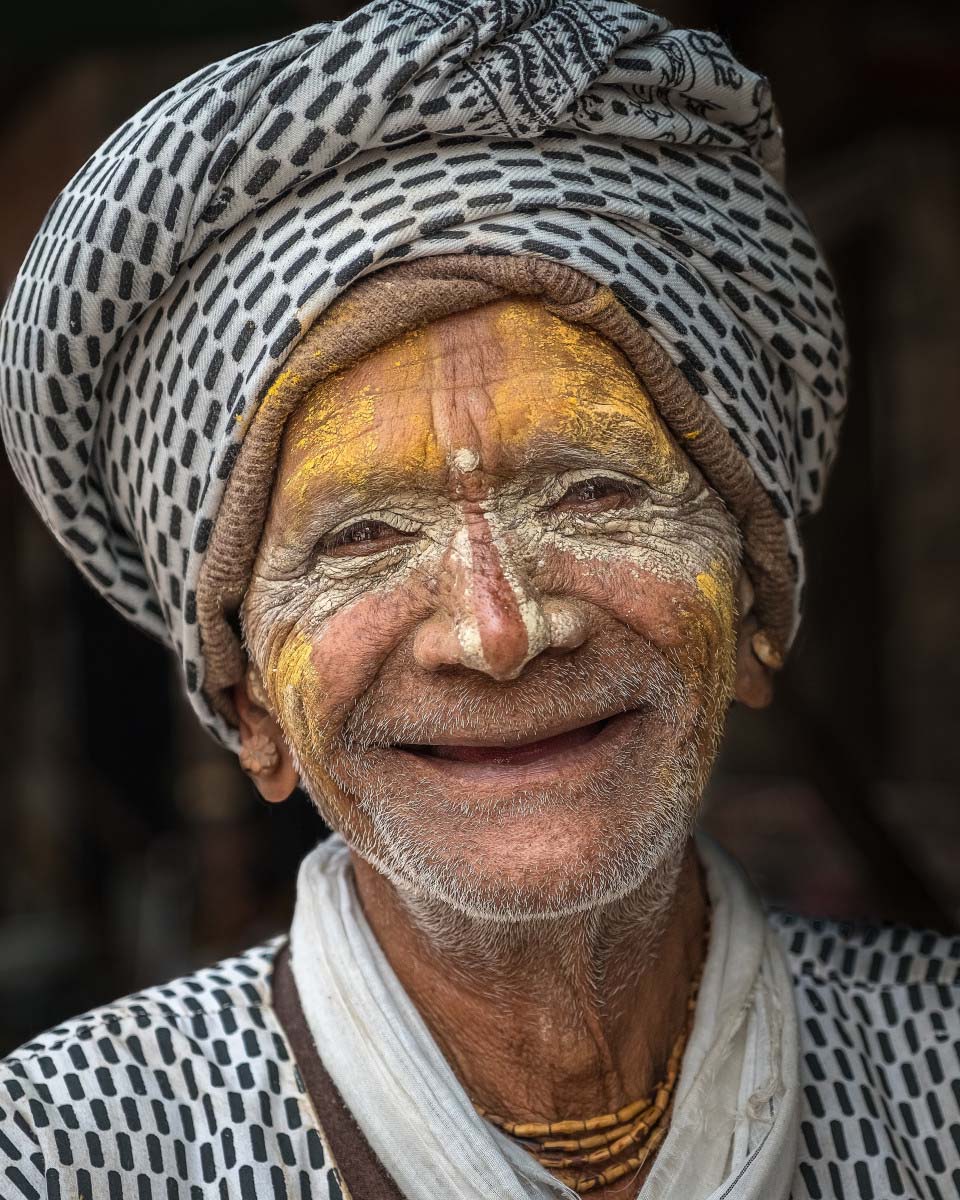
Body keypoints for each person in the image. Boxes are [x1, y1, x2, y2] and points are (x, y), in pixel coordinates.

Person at [0, 3, 956, 1198]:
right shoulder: (66, 1153)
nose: (497, 633)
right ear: (245, 703)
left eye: (596, 493)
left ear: (760, 603)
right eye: (360, 537)